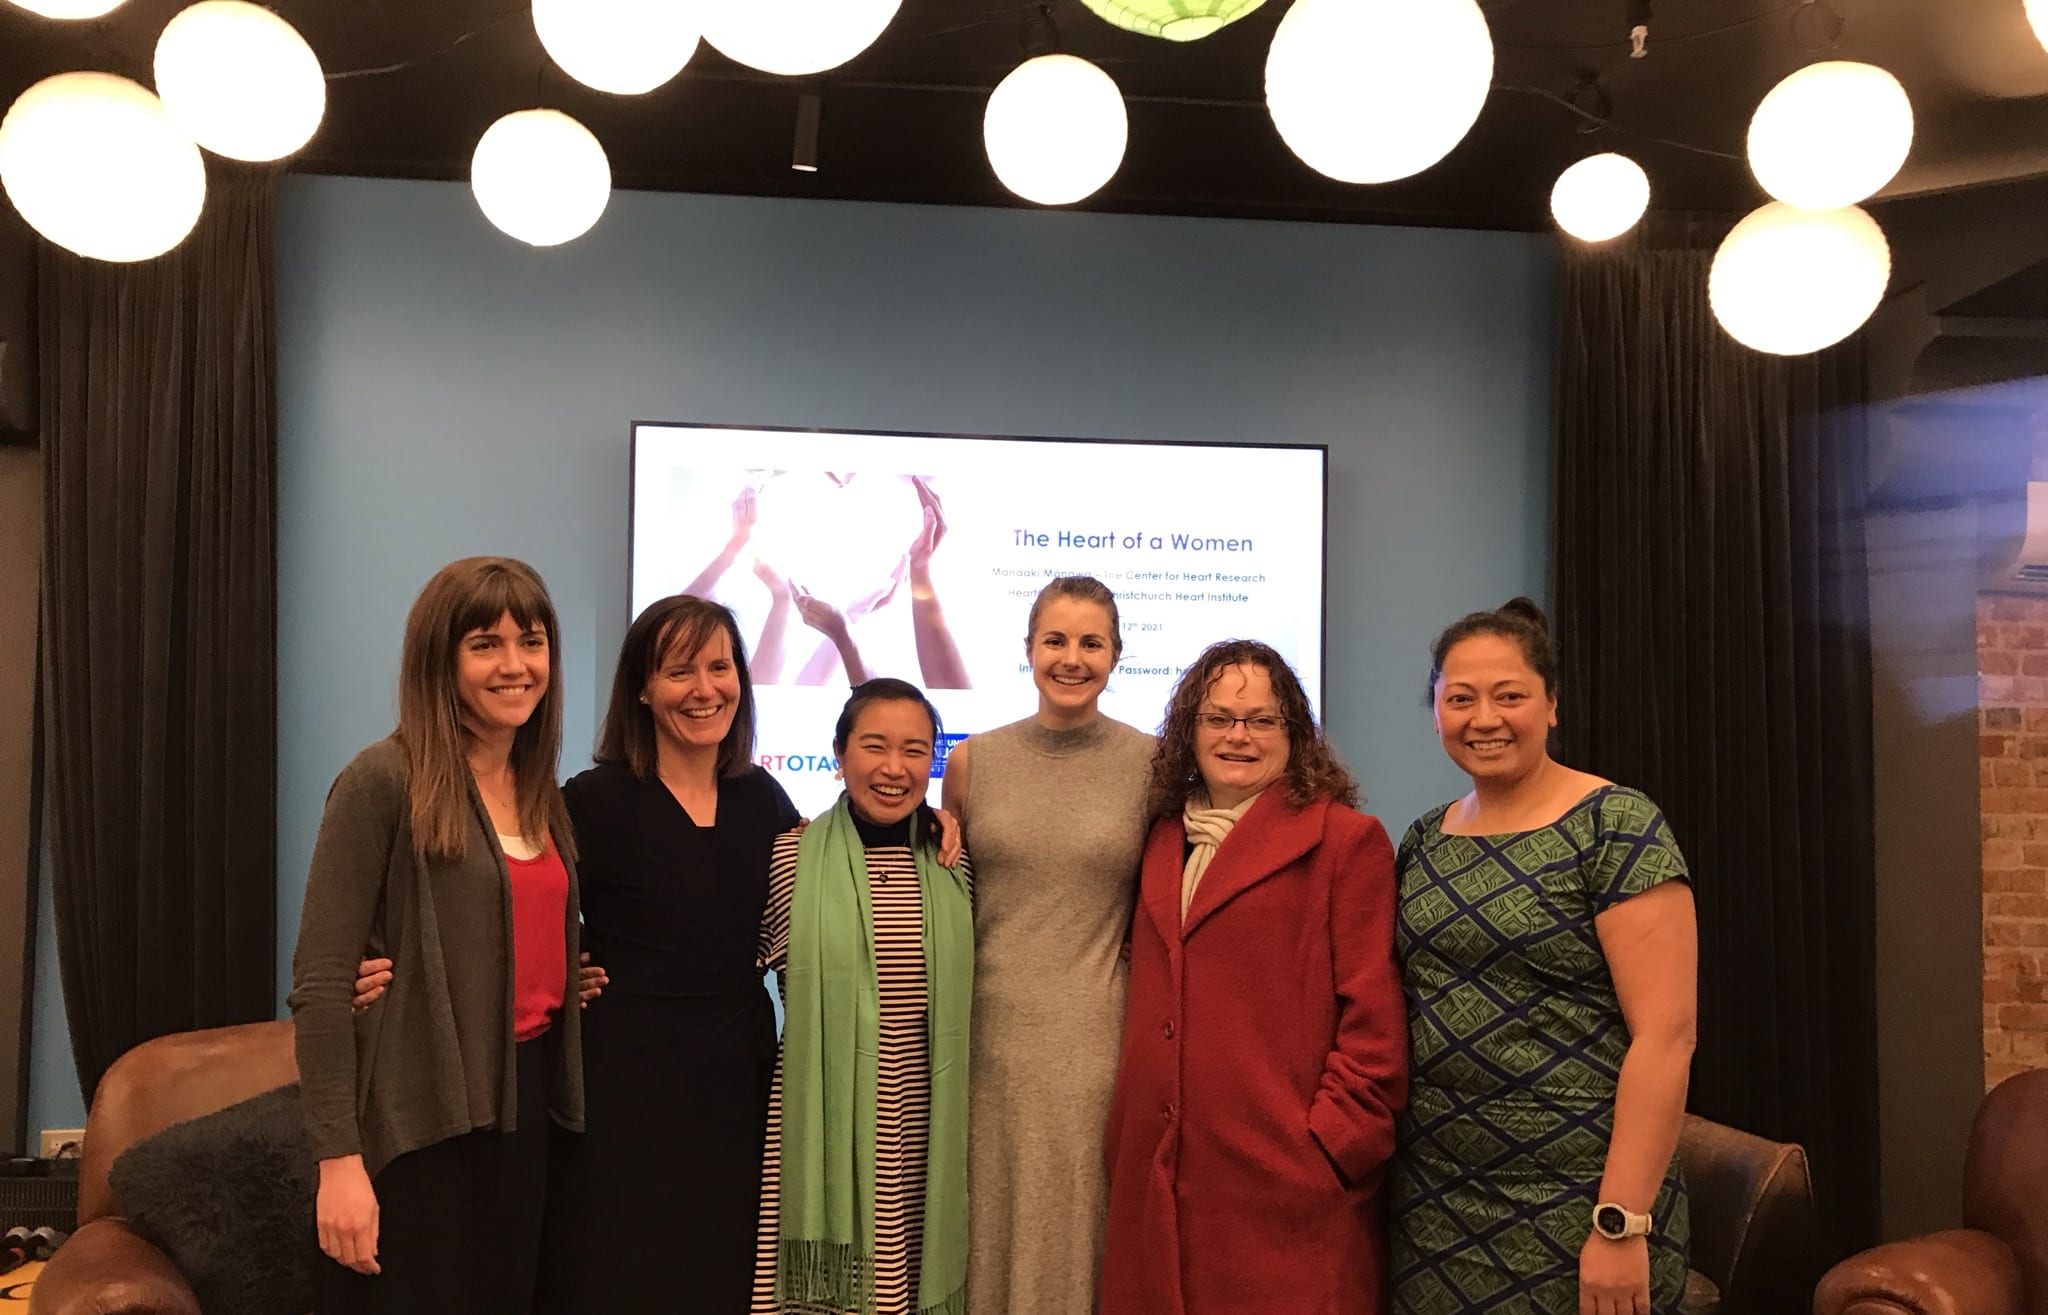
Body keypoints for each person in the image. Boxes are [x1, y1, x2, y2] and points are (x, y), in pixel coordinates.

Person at [289, 557, 584, 1315]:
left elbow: (505, 929)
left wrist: (561, 976)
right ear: (440, 658)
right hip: (417, 1120)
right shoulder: (381, 780)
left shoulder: (539, 789)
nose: (515, 665)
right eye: (486, 643)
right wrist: (339, 1161)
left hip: (524, 1109)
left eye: (532, 640)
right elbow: (322, 984)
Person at [1389, 598, 1696, 1315]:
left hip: (1574, 1202)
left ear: (1551, 704)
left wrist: (1620, 1223)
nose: (1484, 718)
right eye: (1460, 698)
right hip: (1432, 1206)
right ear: (1435, 711)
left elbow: (1667, 1037)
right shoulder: (1425, 837)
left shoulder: (1616, 825)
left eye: (1510, 695)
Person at [1099, 640, 1408, 1315]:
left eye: (1261, 720)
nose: (1238, 735)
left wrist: (1328, 1150)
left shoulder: (1345, 841)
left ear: (1294, 735)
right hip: (1160, 1183)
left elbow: (1374, 1022)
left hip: (1282, 1185)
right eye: (1218, 717)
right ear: (1189, 731)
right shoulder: (1158, 839)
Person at [562, 595, 804, 1312]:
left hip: (736, 1082)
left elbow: (835, 882)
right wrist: (556, 963)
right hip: (624, 1086)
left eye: (720, 666)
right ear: (641, 686)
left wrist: (934, 826)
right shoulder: (593, 800)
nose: (705, 688)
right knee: (626, 1273)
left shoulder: (764, 798)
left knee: (723, 1274)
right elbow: (503, 893)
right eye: (679, 671)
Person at [939, 576, 1154, 1315]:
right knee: (985, 1232)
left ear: (1117, 654)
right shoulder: (973, 761)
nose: (1072, 657)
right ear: (1027, 648)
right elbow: (940, 882)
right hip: (984, 1041)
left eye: (1091, 642)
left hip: (1095, 1042)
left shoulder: (1153, 766)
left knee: (1076, 1235)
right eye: (1055, 639)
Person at [750, 678, 975, 1315]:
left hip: (926, 1121)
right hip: (819, 1119)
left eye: (916, 750)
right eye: (874, 746)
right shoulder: (788, 858)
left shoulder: (952, 861)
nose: (894, 768)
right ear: (840, 753)